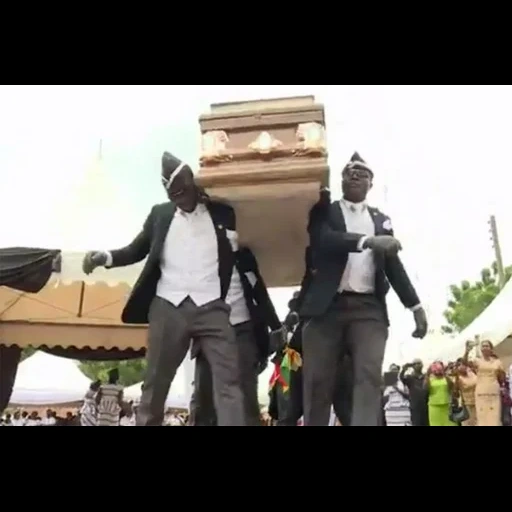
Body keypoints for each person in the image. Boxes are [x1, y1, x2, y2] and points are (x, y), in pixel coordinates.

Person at [82, 152, 246, 426]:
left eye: (182, 193)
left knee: (229, 380)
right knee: (155, 383)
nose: (179, 200)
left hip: (212, 308)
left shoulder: (223, 213)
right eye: (173, 195)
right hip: (168, 306)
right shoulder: (160, 214)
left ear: (193, 182)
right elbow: (136, 249)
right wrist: (105, 257)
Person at [299, 152, 428, 426]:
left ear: (371, 184)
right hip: (325, 309)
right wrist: (367, 241)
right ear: (342, 179)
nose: (355, 176)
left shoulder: (382, 220)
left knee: (368, 376)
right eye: (349, 172)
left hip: (368, 310)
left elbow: (394, 266)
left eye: (362, 173)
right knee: (318, 380)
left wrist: (415, 306)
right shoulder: (325, 210)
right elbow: (323, 240)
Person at [189, 246, 282, 426]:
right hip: (209, 332)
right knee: (204, 396)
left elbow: (259, 292)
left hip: (244, 330)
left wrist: (276, 326)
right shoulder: (199, 257)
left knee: (245, 396)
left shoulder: (244, 256)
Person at [464, 340, 505, 426]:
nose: (485, 347)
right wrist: (466, 352)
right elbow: (465, 363)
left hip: (493, 392)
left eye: (487, 346)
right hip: (481, 392)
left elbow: (502, 378)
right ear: (481, 349)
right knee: (482, 417)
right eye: (483, 346)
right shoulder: (477, 361)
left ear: (491, 349)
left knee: (494, 417)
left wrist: (501, 377)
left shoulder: (497, 362)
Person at [425, 362, 456, 426]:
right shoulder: (430, 379)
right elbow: (425, 388)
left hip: (447, 405)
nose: (438, 372)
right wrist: (427, 375)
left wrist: (445, 374)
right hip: (434, 407)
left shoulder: (446, 378)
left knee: (451, 424)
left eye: (439, 369)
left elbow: (452, 386)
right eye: (436, 370)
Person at [400, 359, 428, 426]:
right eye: (416, 364)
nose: (418, 365)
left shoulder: (426, 377)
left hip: (426, 406)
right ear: (413, 366)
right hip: (415, 407)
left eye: (420, 363)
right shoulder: (410, 378)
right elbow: (401, 378)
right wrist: (403, 370)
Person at [455, 361, 477, 426]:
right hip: (467, 403)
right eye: (460, 366)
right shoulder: (458, 378)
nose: (463, 367)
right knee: (468, 422)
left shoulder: (472, 373)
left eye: (464, 366)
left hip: (477, 400)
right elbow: (456, 392)